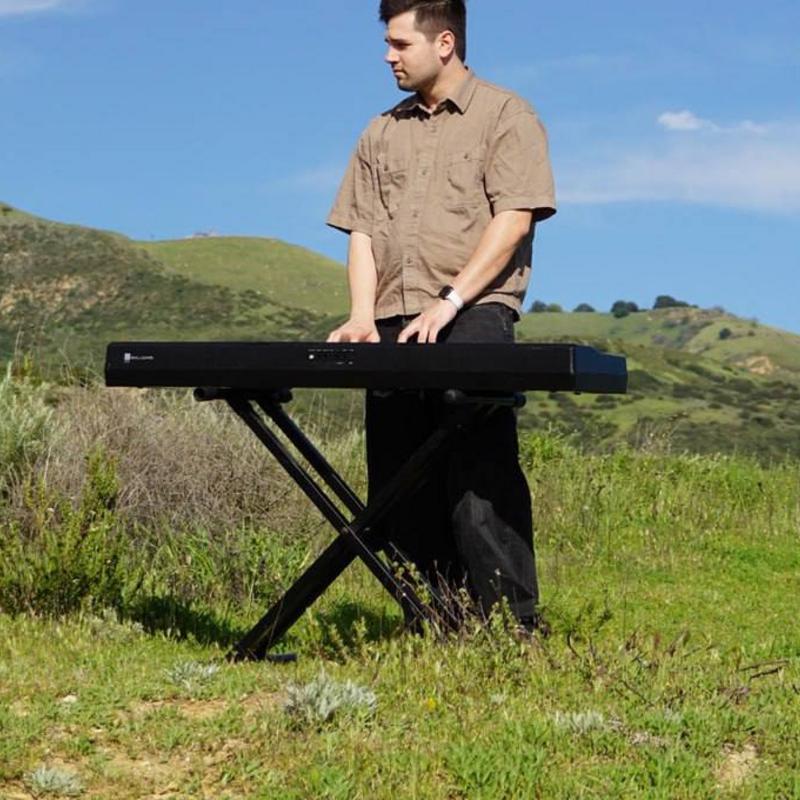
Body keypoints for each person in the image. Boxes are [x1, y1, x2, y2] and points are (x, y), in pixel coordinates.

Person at [326, 0, 556, 631]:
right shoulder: (379, 132)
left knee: (477, 469)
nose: (388, 55)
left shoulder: (507, 116)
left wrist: (451, 301)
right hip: (395, 320)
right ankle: (432, 618)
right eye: (388, 43)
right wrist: (360, 316)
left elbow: (514, 219)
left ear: (445, 42)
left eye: (401, 43)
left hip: (474, 311)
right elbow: (362, 232)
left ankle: (511, 627)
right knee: (398, 477)